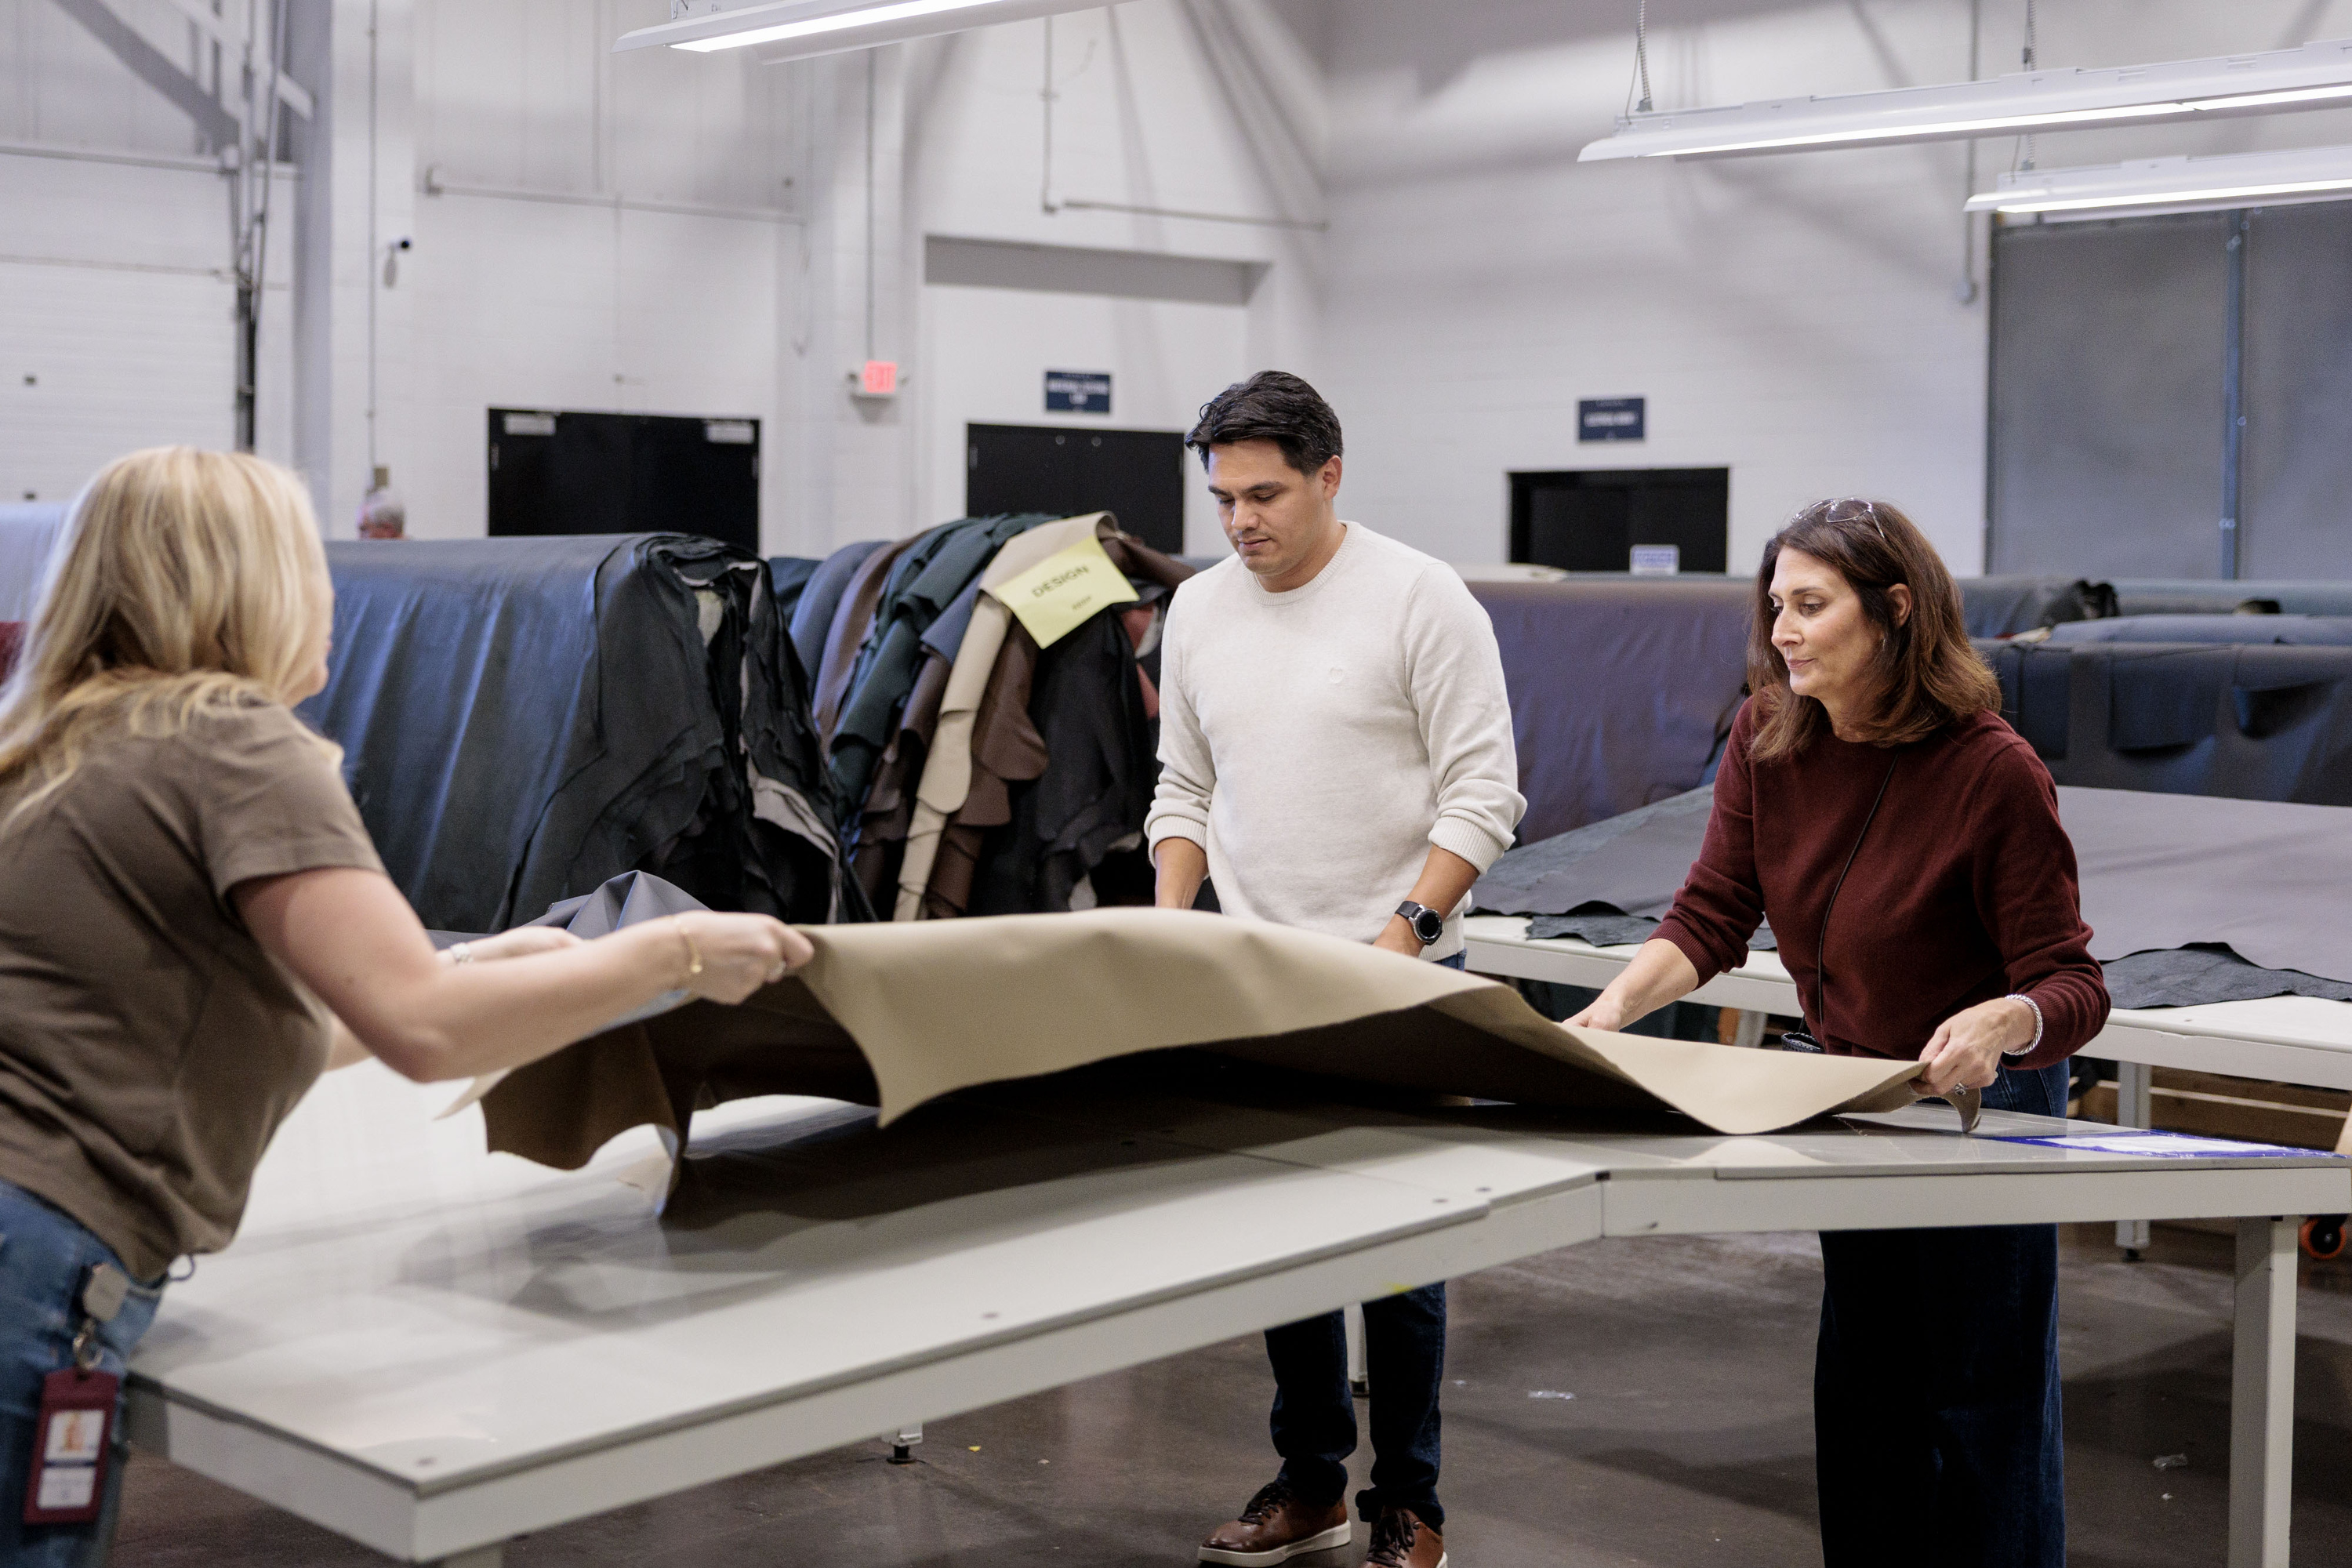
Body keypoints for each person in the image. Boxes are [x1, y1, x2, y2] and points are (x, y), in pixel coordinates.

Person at [0, 448, 808, 1566]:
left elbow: (259, 1029)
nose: (330, 592)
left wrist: (480, 971)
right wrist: (673, 954)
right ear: (255, 584)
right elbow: (422, 1035)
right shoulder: (234, 743)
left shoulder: (61, 740)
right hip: (39, 1253)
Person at [1569, 498, 2107, 1568]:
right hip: (1853, 1102)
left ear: (1894, 611)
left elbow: (2070, 983)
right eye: (1776, 606)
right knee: (1866, 1401)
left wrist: (2005, 1020)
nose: (1782, 632)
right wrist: (1611, 1012)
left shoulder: (1992, 772)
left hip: (1978, 1110)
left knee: (1982, 1408)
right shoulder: (1768, 740)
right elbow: (1714, 912)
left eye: (1811, 606)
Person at [1149, 372, 1523, 1568]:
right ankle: (1309, 1479)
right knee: (1286, 1239)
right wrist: (1173, 920)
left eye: (1265, 494)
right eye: (1223, 499)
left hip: (1400, 972)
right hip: (1260, 977)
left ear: (1330, 477)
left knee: (1402, 1257)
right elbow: (1184, 790)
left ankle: (1409, 1500)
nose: (1243, 519)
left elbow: (1485, 795)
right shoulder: (1201, 612)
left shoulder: (1421, 600)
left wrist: (1402, 932)